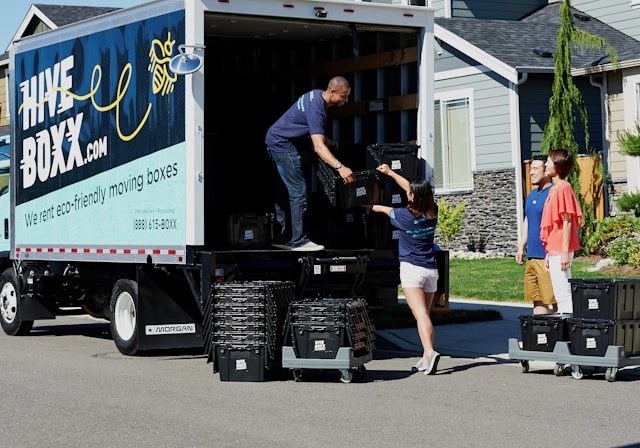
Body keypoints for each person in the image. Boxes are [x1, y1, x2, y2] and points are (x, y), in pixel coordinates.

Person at [265, 76, 356, 251]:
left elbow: (309, 126)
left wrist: (326, 139)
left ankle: (281, 238)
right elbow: (318, 148)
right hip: (282, 144)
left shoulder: (314, 96)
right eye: (343, 96)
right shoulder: (318, 109)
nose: (346, 100)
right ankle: (299, 241)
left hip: (274, 139)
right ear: (332, 92)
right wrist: (340, 167)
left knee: (284, 190)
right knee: (298, 191)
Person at [368, 164, 440, 375]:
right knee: (424, 315)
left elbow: (380, 208)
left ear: (411, 197)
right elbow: (412, 189)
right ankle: (426, 357)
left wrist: (365, 204)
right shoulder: (432, 211)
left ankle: (430, 351)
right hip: (431, 270)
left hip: (412, 270)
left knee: (420, 315)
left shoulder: (403, 216)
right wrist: (390, 173)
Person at [541, 149, 582, 315]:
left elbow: (567, 221)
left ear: (557, 166)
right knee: (558, 290)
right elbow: (552, 225)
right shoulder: (553, 189)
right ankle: (564, 323)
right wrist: (548, 253)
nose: (546, 164)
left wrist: (564, 251)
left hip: (561, 248)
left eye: (549, 162)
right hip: (554, 249)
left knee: (563, 289)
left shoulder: (564, 187)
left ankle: (568, 324)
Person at [516, 156, 557, 314]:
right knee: (538, 299)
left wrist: (550, 252)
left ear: (546, 171)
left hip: (546, 257)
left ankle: (560, 335)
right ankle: (542, 334)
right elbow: (528, 219)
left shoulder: (553, 193)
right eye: (530, 169)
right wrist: (521, 246)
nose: (531, 172)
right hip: (532, 256)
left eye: (535, 169)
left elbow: (557, 224)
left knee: (553, 298)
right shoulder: (532, 194)